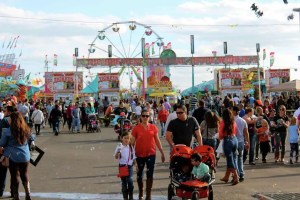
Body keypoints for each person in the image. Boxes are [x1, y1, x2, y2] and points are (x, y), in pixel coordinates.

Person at [131, 109, 165, 200]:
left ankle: (148, 194)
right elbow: (132, 143)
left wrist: (162, 152)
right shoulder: (136, 128)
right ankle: (141, 192)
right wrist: (131, 155)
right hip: (139, 155)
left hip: (151, 154)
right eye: (144, 116)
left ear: (150, 117)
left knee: (150, 174)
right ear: (140, 117)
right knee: (139, 175)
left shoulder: (153, 127)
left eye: (147, 116)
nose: (145, 118)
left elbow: (157, 141)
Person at [0, 112, 34, 200]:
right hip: (25, 156)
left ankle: (16, 196)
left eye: (10, 119)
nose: (8, 120)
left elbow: (2, 143)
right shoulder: (27, 129)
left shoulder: (7, 131)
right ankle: (28, 194)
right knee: (25, 174)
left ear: (13, 120)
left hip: (13, 157)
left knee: (15, 176)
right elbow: (32, 139)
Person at [219, 108, 239, 185]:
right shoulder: (233, 122)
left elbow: (221, 134)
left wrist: (220, 138)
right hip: (234, 139)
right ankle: (226, 176)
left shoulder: (223, 122)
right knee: (233, 159)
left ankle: (235, 176)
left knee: (230, 160)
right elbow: (236, 130)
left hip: (227, 140)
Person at [114, 132, 136, 200]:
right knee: (124, 182)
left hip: (129, 166)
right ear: (121, 138)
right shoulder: (119, 146)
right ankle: (125, 197)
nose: (126, 140)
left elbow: (133, 157)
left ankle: (131, 197)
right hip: (122, 166)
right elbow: (116, 157)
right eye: (125, 138)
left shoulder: (131, 147)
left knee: (130, 181)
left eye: (128, 138)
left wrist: (136, 165)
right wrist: (118, 152)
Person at [232, 106, 249, 182]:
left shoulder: (232, 121)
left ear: (234, 112)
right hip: (241, 141)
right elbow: (246, 132)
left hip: (234, 141)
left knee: (234, 159)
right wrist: (247, 142)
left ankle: (236, 174)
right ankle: (241, 173)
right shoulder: (243, 120)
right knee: (240, 158)